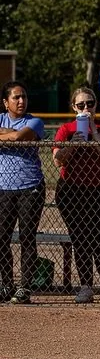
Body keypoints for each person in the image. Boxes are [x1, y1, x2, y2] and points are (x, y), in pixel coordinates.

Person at [52, 87, 100, 305]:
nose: (85, 108)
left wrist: (92, 128)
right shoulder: (66, 129)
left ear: (96, 105)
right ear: (74, 107)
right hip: (71, 190)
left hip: (98, 189)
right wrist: (75, 141)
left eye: (90, 104)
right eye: (80, 105)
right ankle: (85, 286)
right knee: (80, 238)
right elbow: (58, 160)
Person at [0, 81, 46, 304]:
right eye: (16, 97)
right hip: (3, 188)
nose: (21, 101)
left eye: (24, 97)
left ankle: (25, 286)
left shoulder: (34, 121)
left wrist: (7, 136)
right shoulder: (0, 118)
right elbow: (16, 136)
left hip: (31, 187)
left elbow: (20, 137)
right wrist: (12, 133)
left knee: (27, 237)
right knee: (2, 238)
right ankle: (7, 284)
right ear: (5, 102)